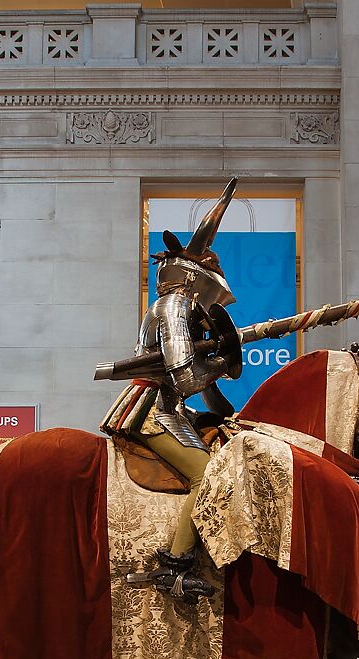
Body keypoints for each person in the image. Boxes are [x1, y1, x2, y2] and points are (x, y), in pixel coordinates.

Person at [100, 179, 242, 603]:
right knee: (208, 475)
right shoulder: (175, 307)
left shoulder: (175, 308)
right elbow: (184, 379)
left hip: (168, 408)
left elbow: (210, 398)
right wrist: (221, 359)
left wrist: (224, 363)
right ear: (196, 280)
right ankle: (174, 567)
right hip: (152, 411)